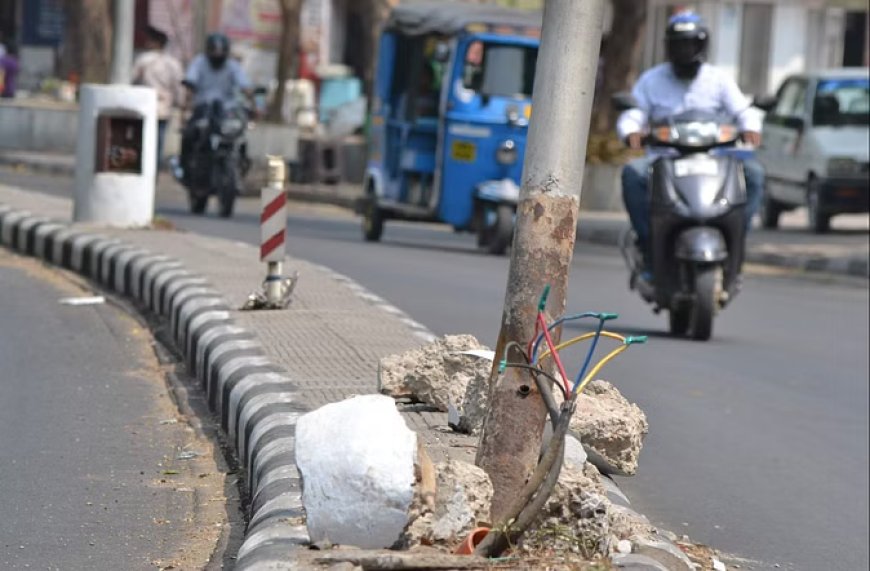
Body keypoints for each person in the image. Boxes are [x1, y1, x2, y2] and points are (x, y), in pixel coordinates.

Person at [617, 11, 764, 278]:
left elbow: (743, 110)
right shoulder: (652, 80)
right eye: (678, 44)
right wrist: (631, 131)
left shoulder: (718, 79)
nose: (685, 50)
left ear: (702, 45)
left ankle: (737, 238)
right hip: (664, 159)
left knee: (754, 175)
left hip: (713, 158)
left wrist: (751, 127)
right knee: (633, 173)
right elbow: (634, 112)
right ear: (669, 46)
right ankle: (649, 245)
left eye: (690, 44)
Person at [179, 33, 254, 181]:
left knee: (241, 135)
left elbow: (245, 86)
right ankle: (185, 168)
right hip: (202, 109)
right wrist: (186, 108)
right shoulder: (199, 62)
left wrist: (254, 103)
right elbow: (190, 86)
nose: (217, 55)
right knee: (188, 135)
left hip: (227, 111)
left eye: (220, 52)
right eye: (214, 51)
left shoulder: (233, 66)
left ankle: (241, 165)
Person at [132, 26, 184, 170]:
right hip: (163, 109)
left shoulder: (143, 60)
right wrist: (180, 104)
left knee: (143, 142)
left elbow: (132, 80)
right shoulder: (173, 63)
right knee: (158, 144)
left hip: (143, 108)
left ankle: (144, 170)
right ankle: (153, 171)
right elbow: (178, 87)